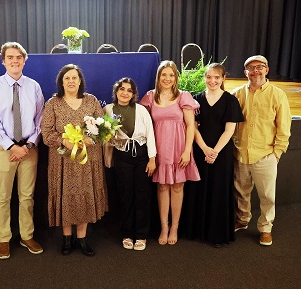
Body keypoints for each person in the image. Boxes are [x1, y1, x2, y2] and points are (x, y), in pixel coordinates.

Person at [0, 42, 45, 259]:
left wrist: (28, 145)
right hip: (4, 149)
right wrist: (12, 146)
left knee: (27, 196)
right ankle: (4, 238)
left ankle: (26, 235)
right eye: (10, 57)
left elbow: (41, 120)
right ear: (3, 61)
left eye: (18, 57)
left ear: (24, 60)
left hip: (29, 149)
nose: (14, 61)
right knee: (3, 196)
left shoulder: (34, 86)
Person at [41, 64, 108, 256]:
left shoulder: (91, 100)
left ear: (80, 81)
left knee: (85, 192)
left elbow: (102, 129)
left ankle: (82, 238)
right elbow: (46, 133)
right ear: (61, 82)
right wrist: (63, 140)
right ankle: (66, 238)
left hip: (87, 159)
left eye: (74, 78)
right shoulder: (53, 103)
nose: (71, 81)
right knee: (66, 194)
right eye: (67, 78)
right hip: (63, 159)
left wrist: (91, 138)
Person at [232, 55, 291, 246]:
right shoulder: (237, 94)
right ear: (245, 72)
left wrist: (277, 153)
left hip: (265, 155)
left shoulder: (277, 94)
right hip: (240, 153)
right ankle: (242, 220)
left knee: (267, 195)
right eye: (251, 68)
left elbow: (283, 127)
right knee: (241, 192)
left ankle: (265, 228)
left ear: (266, 70)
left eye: (259, 67)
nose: (255, 71)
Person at [183, 63, 244, 248]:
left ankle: (216, 234)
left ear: (223, 78)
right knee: (199, 189)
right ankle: (197, 230)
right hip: (201, 151)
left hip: (221, 153)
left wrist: (215, 151)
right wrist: (204, 148)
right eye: (209, 77)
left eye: (217, 77)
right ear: (205, 78)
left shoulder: (230, 101)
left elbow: (229, 131)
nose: (212, 81)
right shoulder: (196, 100)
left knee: (218, 191)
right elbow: (192, 127)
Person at [139, 60, 200, 245]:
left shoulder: (184, 96)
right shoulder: (150, 97)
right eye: (163, 75)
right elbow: (142, 122)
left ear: (176, 77)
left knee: (178, 187)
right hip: (158, 150)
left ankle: (175, 227)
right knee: (162, 187)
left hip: (179, 148)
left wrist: (187, 151)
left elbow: (191, 126)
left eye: (171, 75)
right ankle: (164, 227)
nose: (167, 78)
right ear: (158, 77)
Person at [104, 78, 156, 251]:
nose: (125, 93)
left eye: (129, 90)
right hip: (122, 156)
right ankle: (127, 233)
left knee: (142, 195)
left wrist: (152, 159)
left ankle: (141, 235)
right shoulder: (108, 110)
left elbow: (150, 134)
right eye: (122, 89)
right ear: (116, 91)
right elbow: (104, 135)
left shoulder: (141, 110)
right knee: (125, 195)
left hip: (141, 155)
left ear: (133, 94)